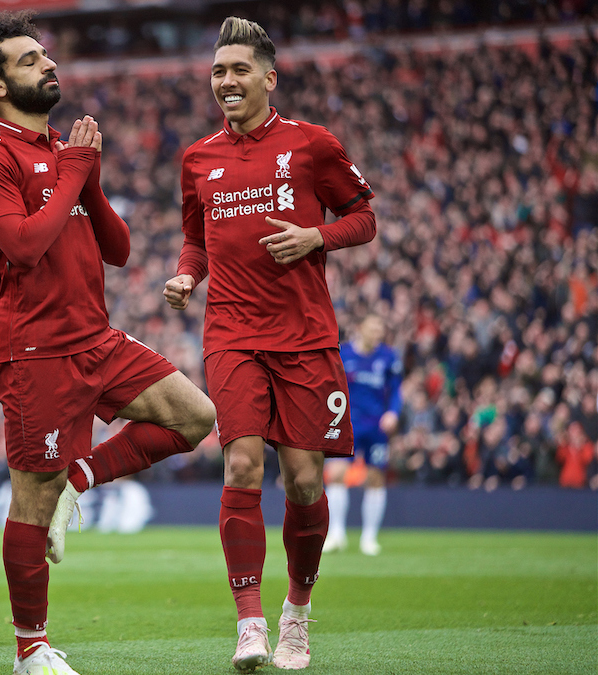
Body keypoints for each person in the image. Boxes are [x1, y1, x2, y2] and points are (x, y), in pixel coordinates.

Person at [0, 11, 217, 675]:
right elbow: (21, 244)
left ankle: (84, 475)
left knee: (195, 416)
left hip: (96, 337)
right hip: (34, 350)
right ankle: (30, 650)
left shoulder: (58, 156)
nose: (47, 63)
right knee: (30, 505)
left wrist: (88, 178)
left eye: (46, 54)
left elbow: (120, 249)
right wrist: (75, 171)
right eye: (29, 59)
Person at [163, 16, 376, 672]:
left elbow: (363, 217)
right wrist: (186, 274)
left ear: (268, 77)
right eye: (218, 71)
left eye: (238, 70)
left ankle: (297, 612)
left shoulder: (313, 146)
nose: (226, 80)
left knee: (306, 481)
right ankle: (249, 620)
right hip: (231, 332)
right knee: (242, 466)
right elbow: (196, 236)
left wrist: (318, 237)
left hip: (306, 336)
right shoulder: (197, 157)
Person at [324, 314, 402, 556]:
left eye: (380, 328)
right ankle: (337, 534)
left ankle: (369, 537)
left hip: (377, 426)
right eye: (373, 327)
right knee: (336, 474)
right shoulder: (343, 354)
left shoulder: (389, 357)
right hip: (346, 424)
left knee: (376, 478)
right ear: (360, 328)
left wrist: (393, 413)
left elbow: (396, 390)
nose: (377, 332)